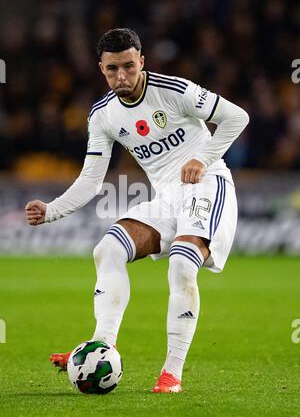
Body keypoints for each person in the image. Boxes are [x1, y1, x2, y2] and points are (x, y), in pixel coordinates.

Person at [25, 28, 249, 393]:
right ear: (101, 68)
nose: (122, 77)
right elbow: (92, 180)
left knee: (182, 262)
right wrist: (51, 210)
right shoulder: (103, 115)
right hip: (167, 198)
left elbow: (237, 117)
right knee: (108, 248)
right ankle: (101, 347)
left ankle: (171, 373)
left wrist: (202, 158)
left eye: (129, 66)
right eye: (113, 69)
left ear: (142, 61)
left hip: (207, 185)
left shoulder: (174, 91)